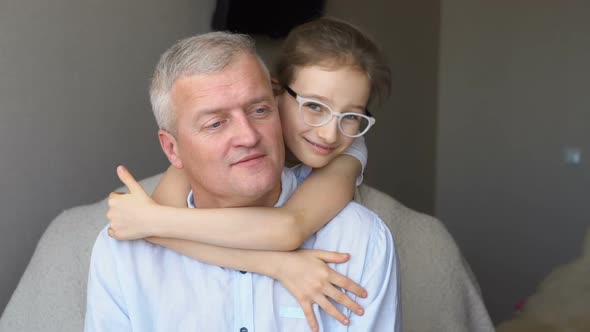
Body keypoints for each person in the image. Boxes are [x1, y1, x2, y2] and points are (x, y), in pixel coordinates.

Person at [85, 26, 399, 332]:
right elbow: (157, 230)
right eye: (216, 123)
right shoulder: (125, 254)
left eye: (258, 110)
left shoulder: (350, 180)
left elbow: (287, 227)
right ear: (278, 94)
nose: (329, 133)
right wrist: (279, 265)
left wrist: (150, 223)